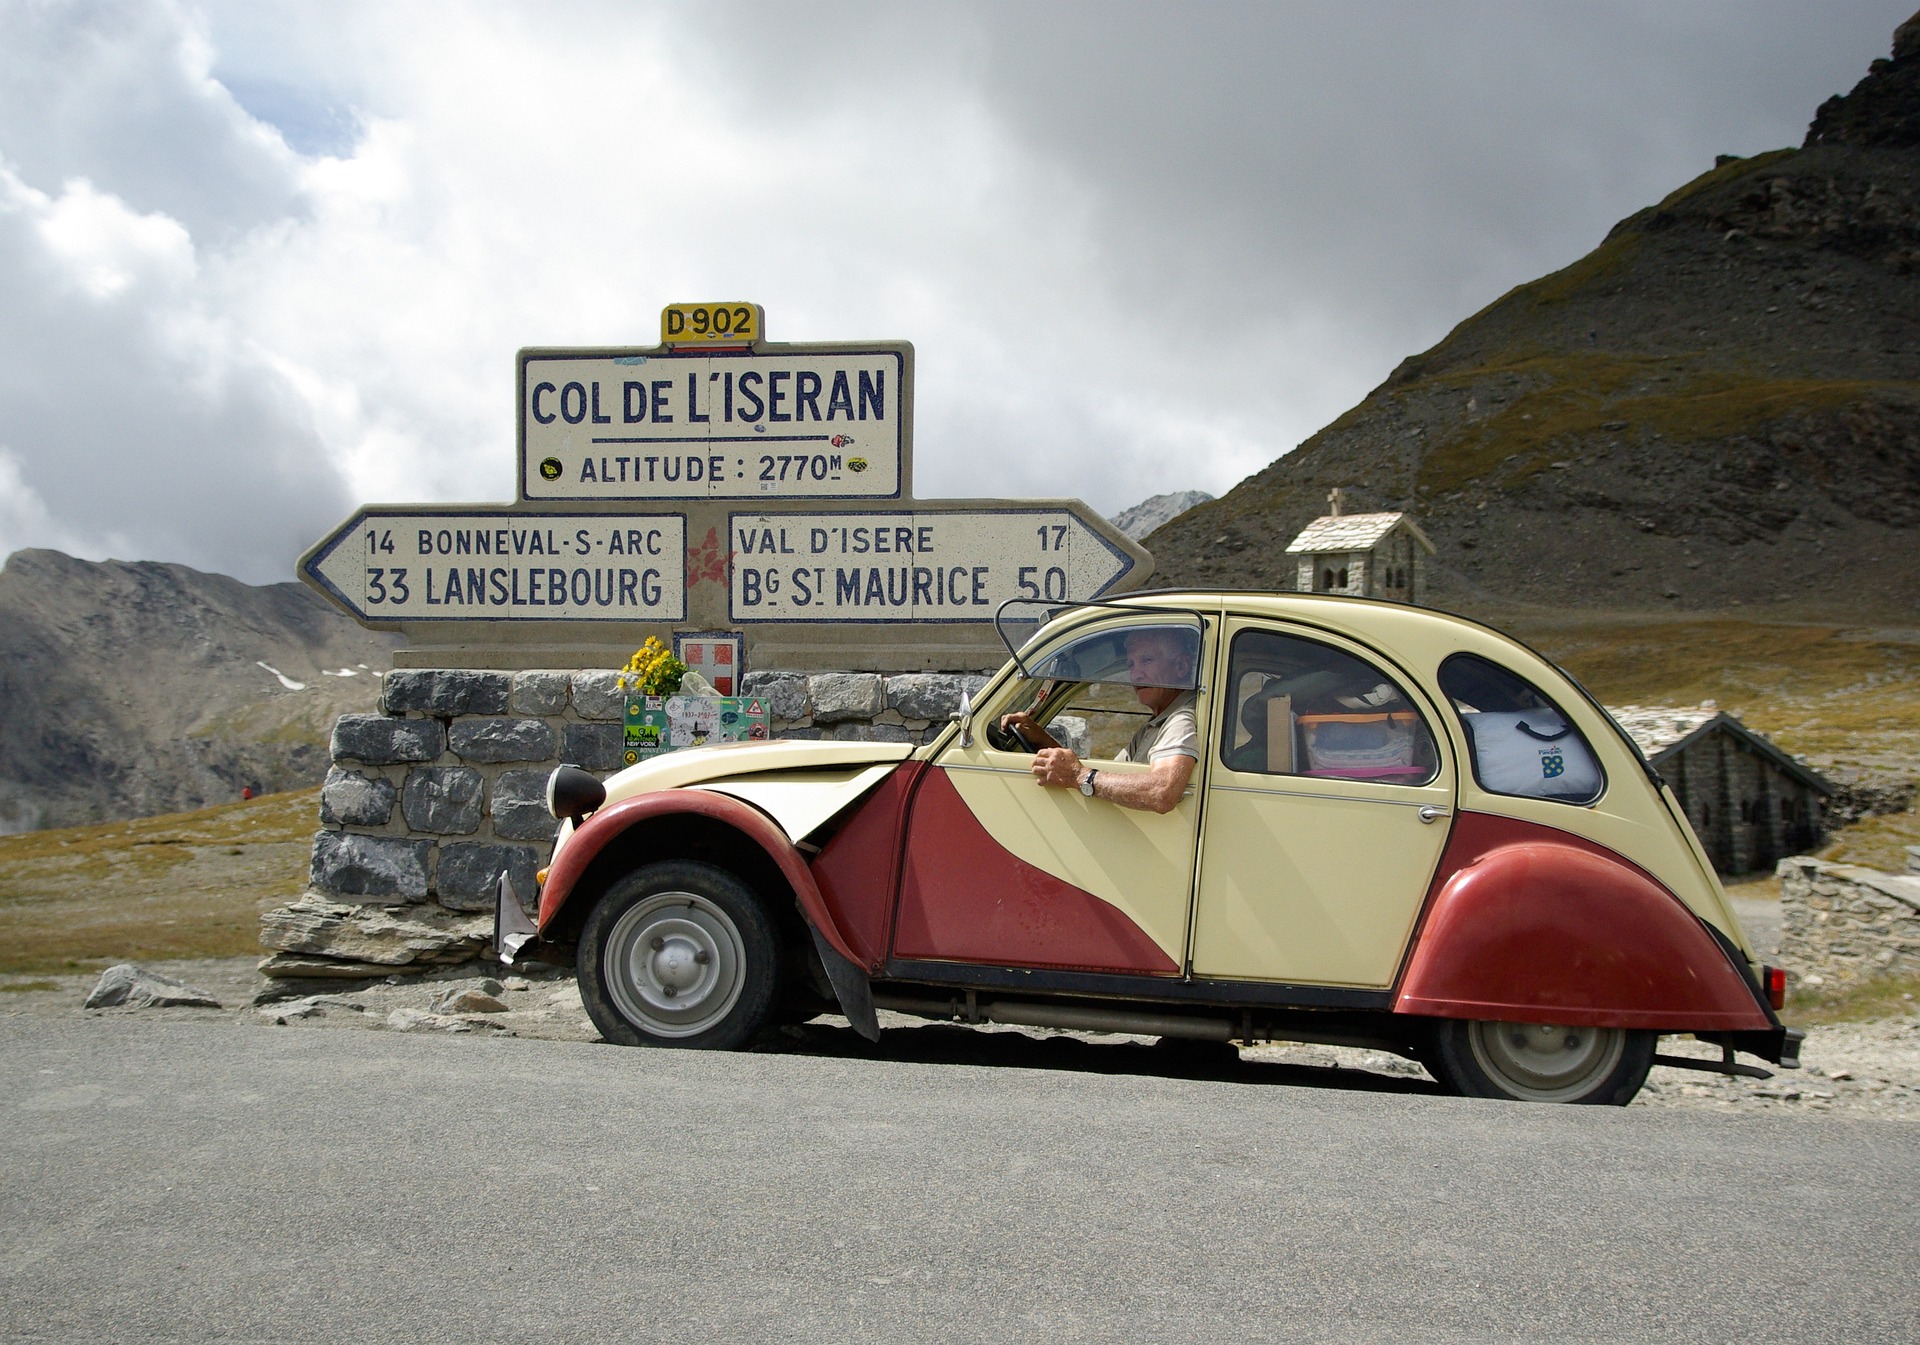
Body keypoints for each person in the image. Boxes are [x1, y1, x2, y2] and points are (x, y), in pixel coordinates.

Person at [999, 627, 1198, 814]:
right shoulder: (1157, 723)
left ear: (1181, 666)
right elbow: (1108, 777)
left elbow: (1163, 792)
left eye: (1147, 660)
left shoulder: (1181, 720)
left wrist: (1078, 775)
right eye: (1131, 664)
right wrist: (1042, 740)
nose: (1136, 675)